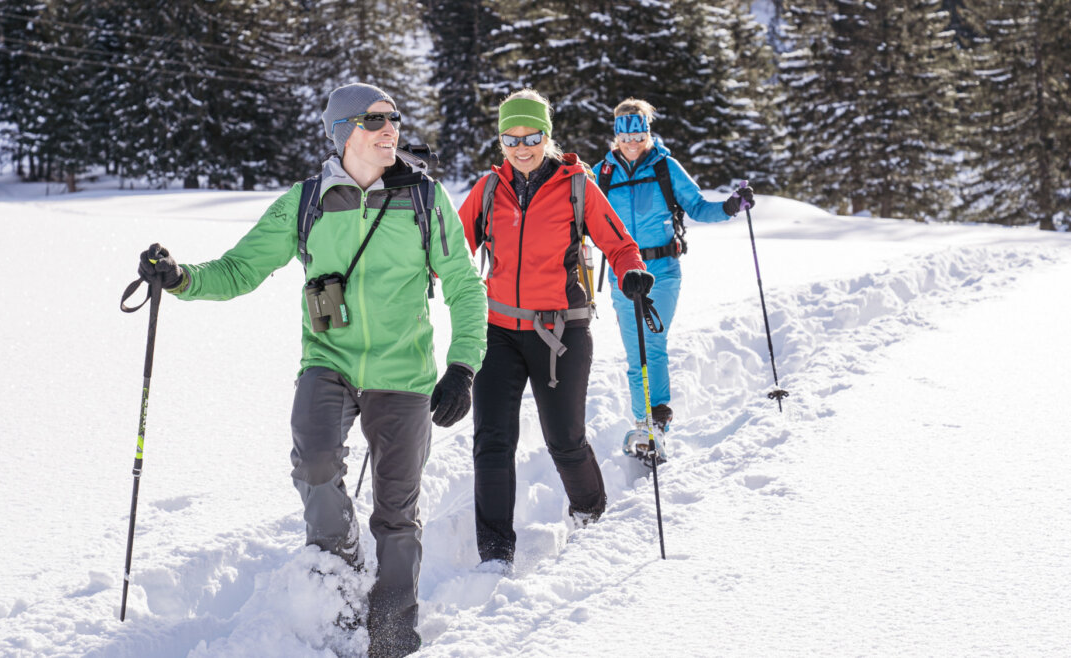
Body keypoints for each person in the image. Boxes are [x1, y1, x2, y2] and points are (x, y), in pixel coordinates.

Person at [135, 83, 487, 658]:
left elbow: (467, 287)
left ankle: (394, 637)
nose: (390, 129)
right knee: (316, 460)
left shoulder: (425, 199)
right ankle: (339, 574)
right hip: (328, 361)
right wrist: (181, 279)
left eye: (394, 117)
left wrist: (463, 365)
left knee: (397, 512)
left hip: (404, 372)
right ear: (343, 131)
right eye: (376, 120)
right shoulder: (306, 202)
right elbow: (240, 270)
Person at [457, 89, 653, 567]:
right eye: (511, 137)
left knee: (564, 438)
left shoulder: (577, 185)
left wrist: (632, 272)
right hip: (497, 331)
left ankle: (590, 516)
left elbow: (619, 243)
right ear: (500, 140)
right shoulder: (487, 190)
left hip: (560, 332)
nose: (522, 147)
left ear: (547, 137)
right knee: (492, 442)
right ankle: (496, 551)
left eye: (532, 136)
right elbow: (451, 247)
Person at [593, 98, 754, 437]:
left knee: (652, 342)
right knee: (635, 354)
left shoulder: (665, 167)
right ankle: (644, 426)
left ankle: (658, 417)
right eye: (625, 136)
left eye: (639, 135)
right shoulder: (601, 174)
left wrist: (730, 206)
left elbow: (696, 206)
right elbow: (579, 214)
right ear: (616, 136)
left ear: (648, 133)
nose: (632, 143)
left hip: (662, 270)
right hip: (622, 274)